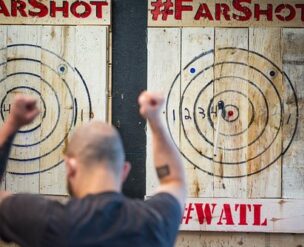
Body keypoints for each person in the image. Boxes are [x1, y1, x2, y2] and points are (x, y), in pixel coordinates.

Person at [0, 92, 187, 247]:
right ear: (124, 171)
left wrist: (12, 124)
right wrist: (155, 120)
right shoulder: (154, 222)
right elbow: (173, 181)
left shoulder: (48, 221)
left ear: (70, 167)